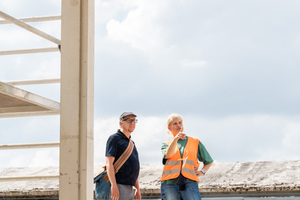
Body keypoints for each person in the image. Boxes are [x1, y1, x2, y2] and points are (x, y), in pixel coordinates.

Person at [160, 113, 214, 200]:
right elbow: (168, 155)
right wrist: (175, 139)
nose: (178, 125)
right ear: (169, 127)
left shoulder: (195, 142)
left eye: (180, 123)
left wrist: (202, 171)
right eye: (175, 123)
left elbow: (209, 161)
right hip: (169, 184)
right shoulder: (166, 144)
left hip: (189, 183)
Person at [105, 112, 141, 200]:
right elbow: (109, 163)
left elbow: (134, 166)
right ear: (120, 123)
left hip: (130, 187)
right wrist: (114, 185)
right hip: (119, 186)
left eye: (134, 120)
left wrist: (137, 188)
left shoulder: (131, 143)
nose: (132, 123)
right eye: (129, 120)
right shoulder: (114, 139)